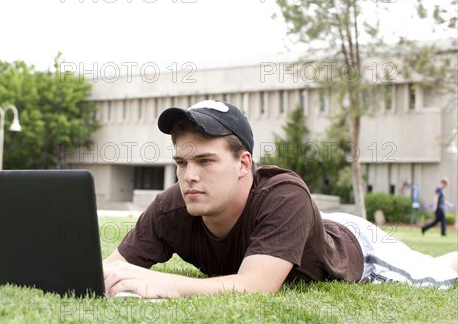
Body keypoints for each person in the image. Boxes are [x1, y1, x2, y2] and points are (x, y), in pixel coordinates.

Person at [103, 100, 458, 298]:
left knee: (440, 275)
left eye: (205, 161)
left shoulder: (283, 193)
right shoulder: (174, 205)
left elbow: (253, 289)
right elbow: (112, 267)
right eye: (181, 162)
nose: (188, 175)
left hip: (359, 249)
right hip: (309, 229)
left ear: (243, 164)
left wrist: (162, 284)